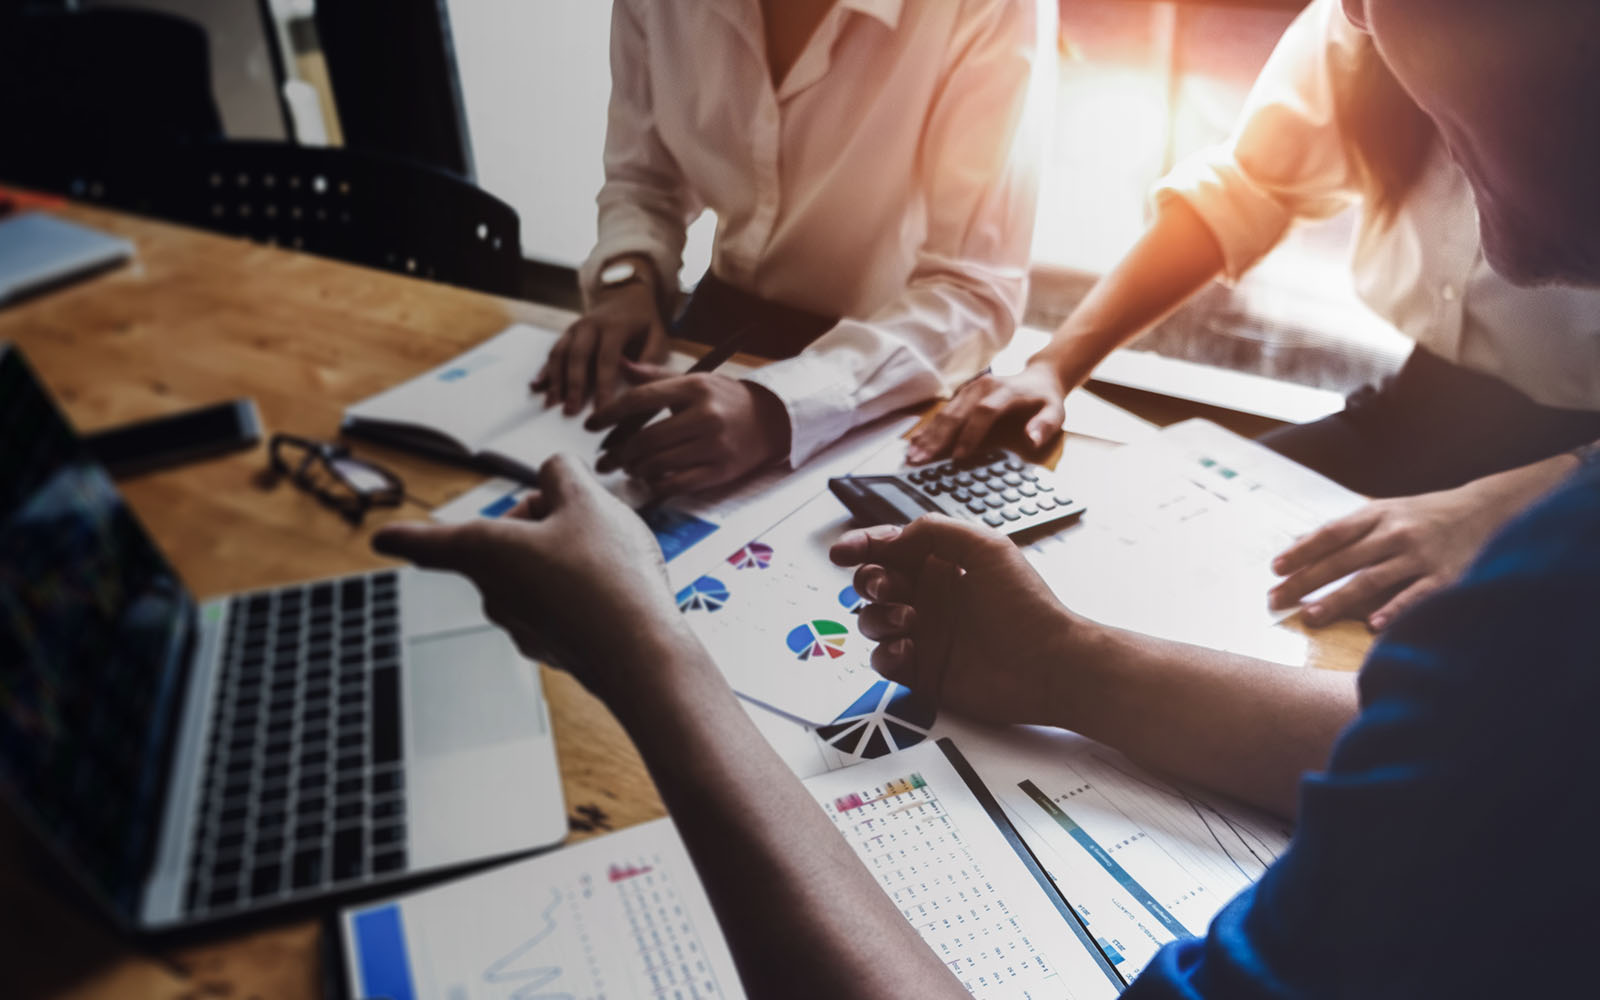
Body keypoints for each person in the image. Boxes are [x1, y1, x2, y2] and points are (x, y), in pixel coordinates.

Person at [373, 0, 1600, 995]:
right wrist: (1067, 666)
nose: (1475, 239)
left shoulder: (1538, 614)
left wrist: (647, 656)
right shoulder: (1516, 664)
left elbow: (1482, 732)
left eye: (1451, 115)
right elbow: (1434, 748)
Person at [906, 0, 1600, 633]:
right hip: (1414, 409)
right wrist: (1056, 365)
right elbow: (1251, 186)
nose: (1349, 13)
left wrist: (1529, 503)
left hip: (1575, 462)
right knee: (1138, 562)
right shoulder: (1364, 23)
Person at [531, 0, 1042, 497]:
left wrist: (777, 408)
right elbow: (644, 178)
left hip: (906, 363)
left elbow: (974, 289)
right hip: (721, 329)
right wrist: (630, 277)